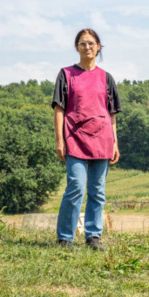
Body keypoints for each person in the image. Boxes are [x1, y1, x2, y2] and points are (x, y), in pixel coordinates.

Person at [52, 28, 121, 251]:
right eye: (83, 43)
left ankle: (93, 236)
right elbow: (59, 110)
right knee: (75, 186)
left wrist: (115, 142)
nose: (88, 47)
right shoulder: (66, 74)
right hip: (74, 138)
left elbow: (111, 113)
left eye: (92, 43)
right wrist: (60, 140)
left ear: (98, 46)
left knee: (98, 190)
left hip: (102, 138)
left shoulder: (106, 78)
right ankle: (65, 238)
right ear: (76, 47)